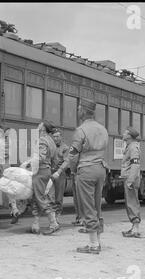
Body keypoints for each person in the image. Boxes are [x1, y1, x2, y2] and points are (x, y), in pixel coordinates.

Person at [52, 99, 108, 254]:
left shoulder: (81, 130)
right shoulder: (103, 129)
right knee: (97, 205)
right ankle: (98, 239)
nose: (77, 112)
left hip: (86, 169)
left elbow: (73, 154)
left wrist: (75, 170)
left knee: (87, 207)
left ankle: (93, 245)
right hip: (101, 169)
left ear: (83, 111)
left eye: (78, 109)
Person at [20, 120, 58, 235]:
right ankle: (35, 225)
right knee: (36, 197)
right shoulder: (51, 140)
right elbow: (54, 159)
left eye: (39, 125)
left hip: (40, 171)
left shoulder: (42, 140)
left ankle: (53, 223)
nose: (37, 126)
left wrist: (28, 162)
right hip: (46, 170)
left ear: (43, 129)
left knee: (39, 198)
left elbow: (40, 157)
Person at [120, 126, 142, 238]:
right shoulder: (130, 146)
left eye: (125, 132)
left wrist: (130, 180)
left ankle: (136, 229)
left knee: (132, 202)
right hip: (129, 178)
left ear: (129, 136)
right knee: (131, 202)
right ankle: (134, 227)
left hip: (131, 178)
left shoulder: (133, 147)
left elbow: (135, 164)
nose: (123, 134)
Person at [51, 129, 69, 224]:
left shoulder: (65, 148)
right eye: (54, 136)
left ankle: (57, 217)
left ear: (61, 137)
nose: (55, 138)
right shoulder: (51, 146)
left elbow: (67, 161)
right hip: (50, 173)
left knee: (58, 197)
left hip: (60, 174)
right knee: (50, 196)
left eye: (57, 136)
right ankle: (52, 218)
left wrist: (59, 171)